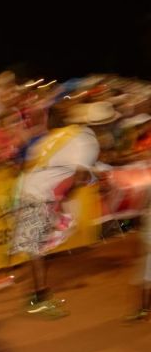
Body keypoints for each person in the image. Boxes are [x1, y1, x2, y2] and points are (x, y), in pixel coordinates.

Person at [11, 102, 116, 318]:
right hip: (38, 192)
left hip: (31, 187)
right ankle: (39, 299)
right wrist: (66, 199)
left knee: (41, 242)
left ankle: (37, 296)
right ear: (102, 126)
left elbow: (62, 163)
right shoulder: (88, 142)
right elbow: (79, 176)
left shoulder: (71, 134)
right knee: (38, 246)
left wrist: (95, 175)